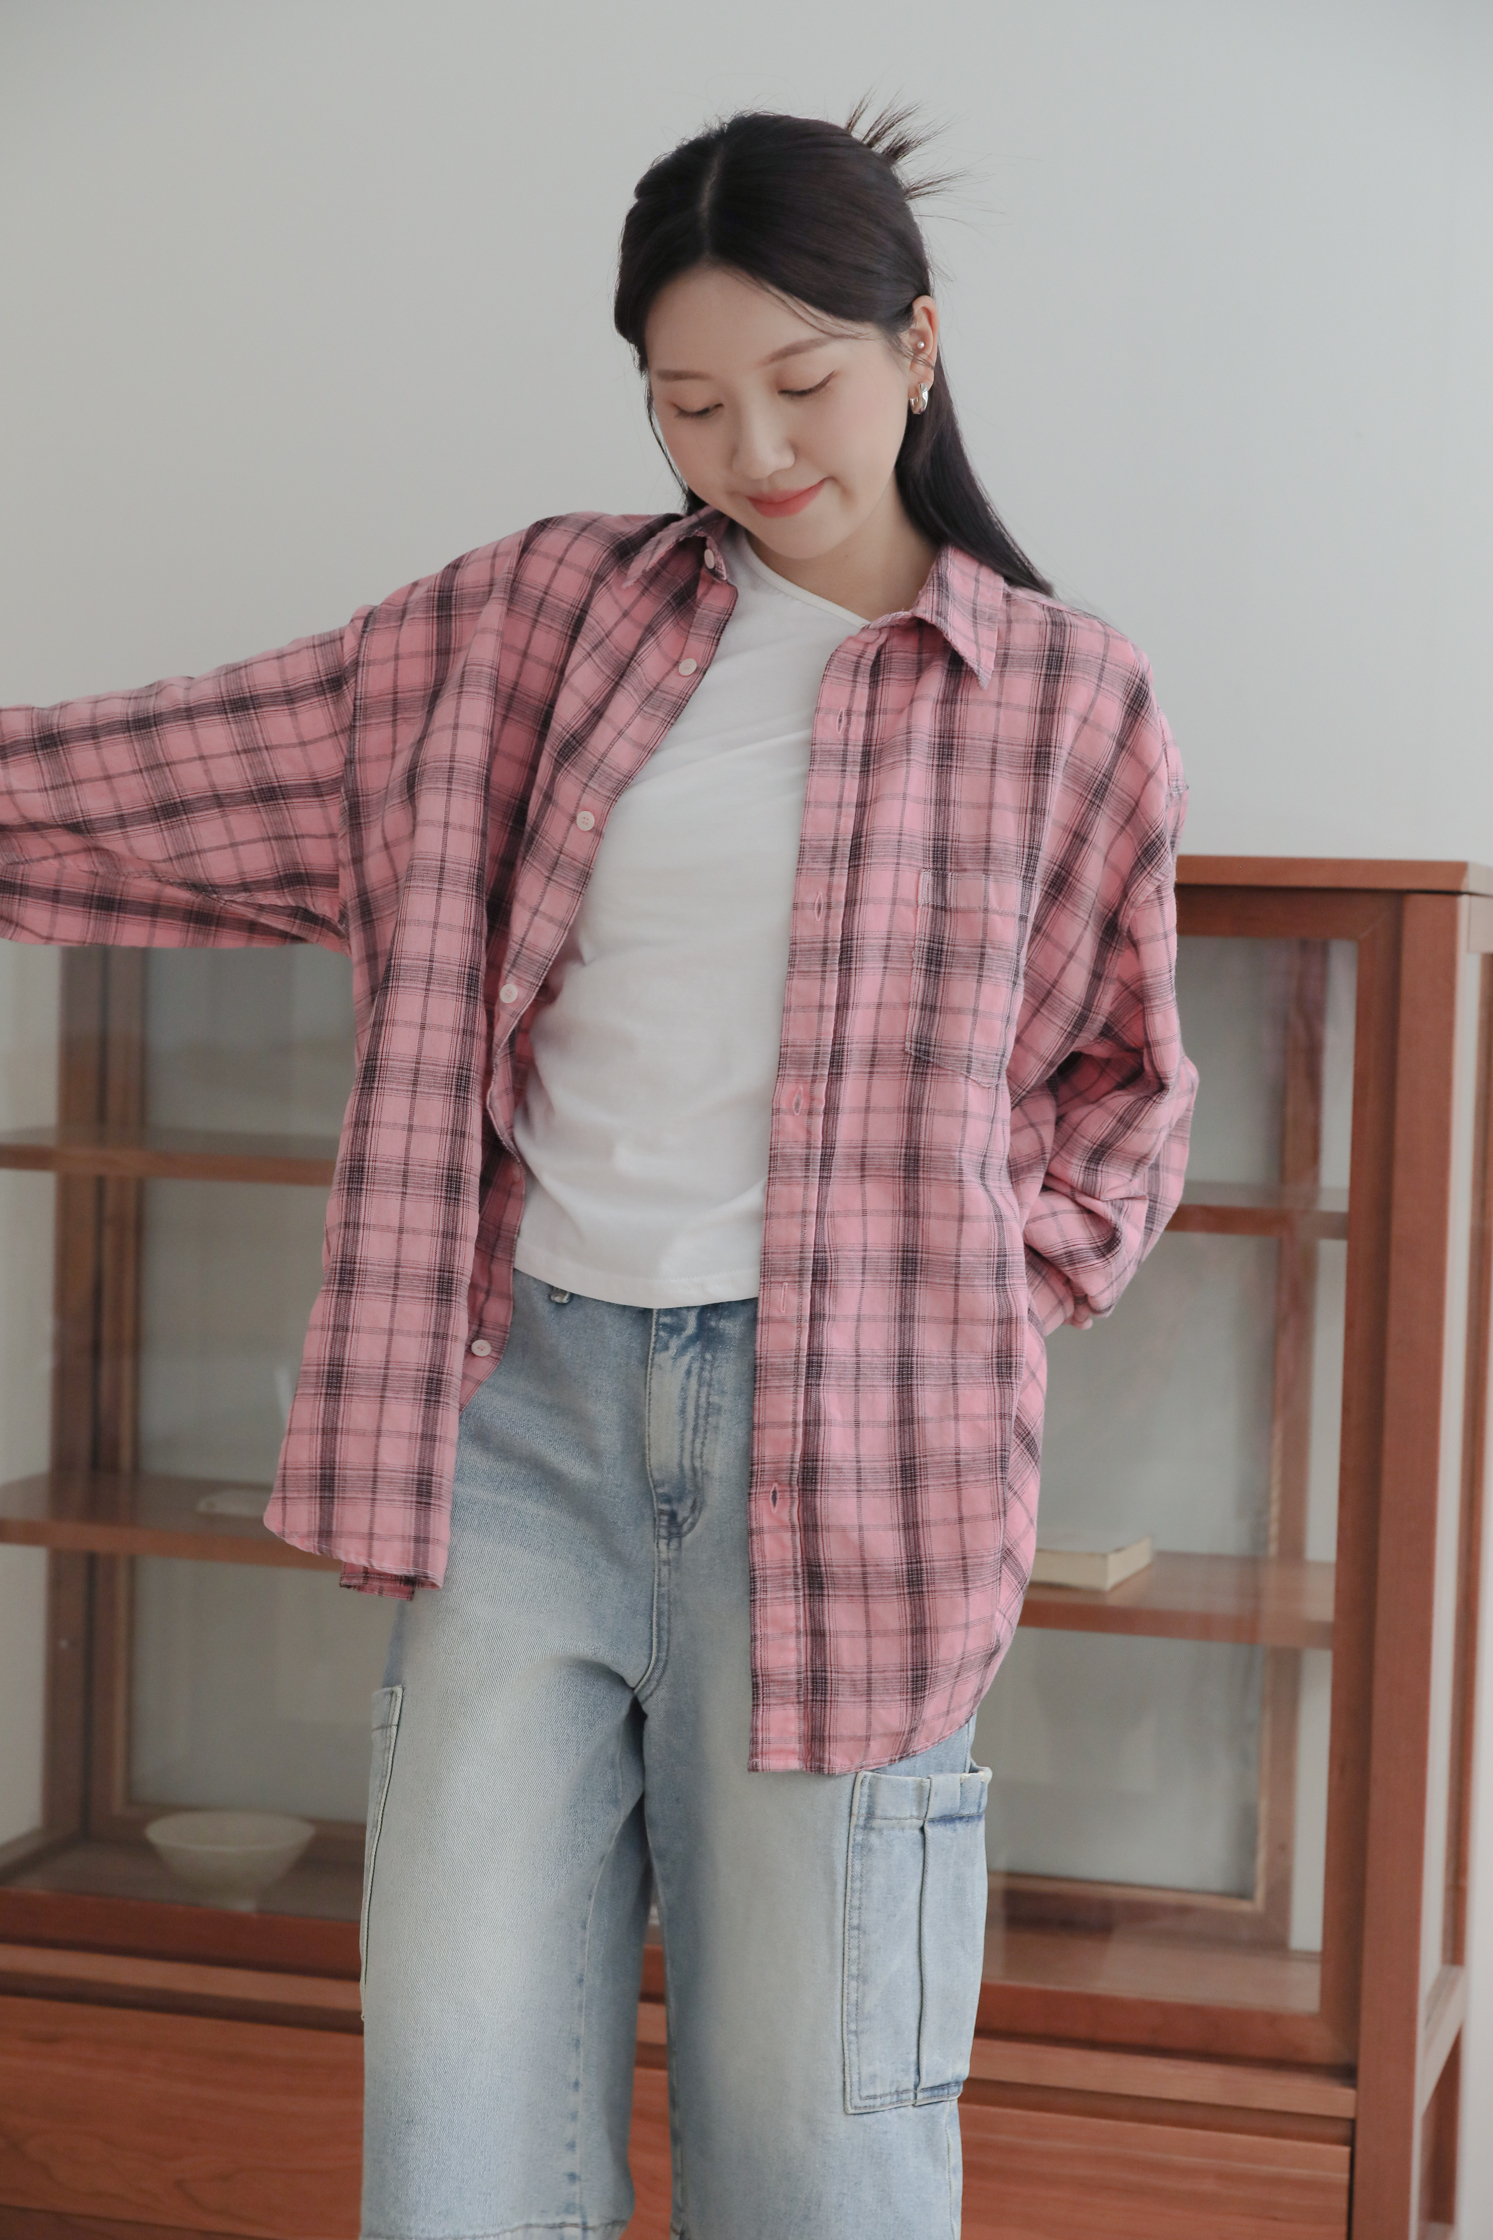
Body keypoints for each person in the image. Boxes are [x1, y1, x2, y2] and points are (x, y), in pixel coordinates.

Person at [0, 104, 1195, 2240]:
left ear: (918, 347)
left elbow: (1128, 1084)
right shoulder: (533, 624)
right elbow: (175, 774)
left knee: (812, 2137)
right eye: (689, 402)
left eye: (800, 383)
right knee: (455, 2104)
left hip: (859, 1462)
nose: (755, 449)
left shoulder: (1064, 701)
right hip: (521, 1425)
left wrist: (981, 1294)